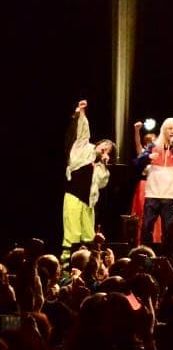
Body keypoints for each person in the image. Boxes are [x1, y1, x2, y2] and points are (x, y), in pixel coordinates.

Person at [62, 100, 113, 260]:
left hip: (88, 204)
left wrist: (104, 165)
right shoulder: (83, 149)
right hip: (73, 197)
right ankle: (67, 265)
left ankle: (88, 265)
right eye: (104, 145)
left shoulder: (100, 166)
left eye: (109, 149)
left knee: (88, 236)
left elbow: (102, 184)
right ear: (97, 144)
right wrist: (81, 113)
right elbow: (83, 133)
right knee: (72, 235)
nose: (106, 148)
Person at [135, 116, 173, 246]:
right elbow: (137, 162)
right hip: (153, 192)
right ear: (164, 129)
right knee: (147, 225)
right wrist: (148, 157)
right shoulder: (153, 146)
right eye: (170, 129)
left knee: (168, 228)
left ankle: (167, 254)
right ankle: (146, 252)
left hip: (170, 193)